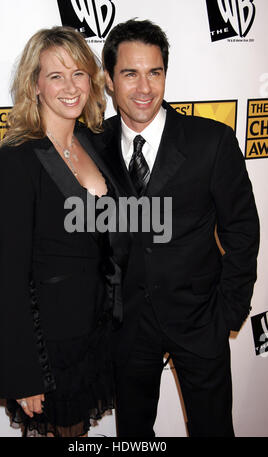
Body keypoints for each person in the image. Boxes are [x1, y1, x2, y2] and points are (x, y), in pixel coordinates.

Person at [93, 19, 260, 437]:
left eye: (155, 72)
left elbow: (242, 230)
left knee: (213, 429)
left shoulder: (212, 142)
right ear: (110, 81)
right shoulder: (91, 144)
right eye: (130, 73)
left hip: (200, 318)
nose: (144, 87)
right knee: (133, 435)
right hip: (127, 326)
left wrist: (227, 313)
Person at [0, 26, 118, 437]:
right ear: (35, 85)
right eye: (56, 76)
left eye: (79, 73)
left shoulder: (93, 143)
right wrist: (25, 371)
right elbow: (10, 275)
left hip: (96, 332)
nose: (70, 86)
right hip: (50, 345)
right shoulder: (18, 158)